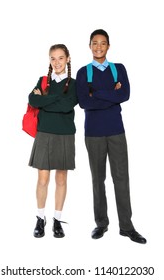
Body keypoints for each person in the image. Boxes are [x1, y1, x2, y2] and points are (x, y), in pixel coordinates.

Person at [76, 29, 147, 244]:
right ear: (89, 46)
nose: (99, 47)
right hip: (94, 133)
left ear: (108, 46)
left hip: (116, 131)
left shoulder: (119, 69)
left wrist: (95, 92)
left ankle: (126, 226)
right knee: (98, 179)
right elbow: (83, 103)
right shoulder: (82, 72)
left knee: (121, 179)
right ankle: (101, 223)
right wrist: (111, 95)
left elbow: (124, 95)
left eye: (103, 43)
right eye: (95, 43)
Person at [28, 44, 78, 238]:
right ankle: (40, 218)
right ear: (49, 60)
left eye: (60, 58)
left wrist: (47, 100)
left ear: (68, 59)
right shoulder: (42, 82)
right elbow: (33, 100)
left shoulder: (74, 84)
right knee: (42, 179)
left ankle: (57, 220)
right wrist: (55, 100)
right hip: (44, 133)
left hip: (65, 134)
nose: (56, 62)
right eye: (53, 58)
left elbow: (68, 106)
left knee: (61, 179)